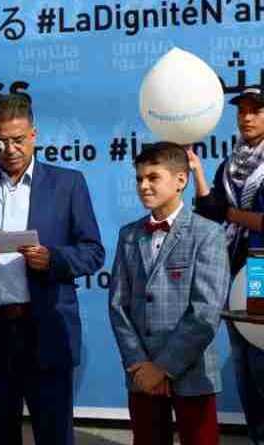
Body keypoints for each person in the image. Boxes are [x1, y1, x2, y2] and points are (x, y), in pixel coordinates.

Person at [0, 94, 104, 445]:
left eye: (19, 139)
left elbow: (93, 252)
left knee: (54, 434)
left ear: (34, 134)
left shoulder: (68, 183)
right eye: (1, 141)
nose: (11, 149)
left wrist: (54, 260)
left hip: (47, 330)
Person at [110, 142, 229, 445]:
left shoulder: (207, 233)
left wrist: (162, 368)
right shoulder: (129, 235)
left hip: (193, 373)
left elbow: (206, 310)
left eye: (153, 177)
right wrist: (139, 363)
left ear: (181, 180)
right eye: (139, 179)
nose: (144, 186)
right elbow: (118, 304)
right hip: (141, 375)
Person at [189, 85, 264, 443]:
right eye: (241, 111)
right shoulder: (232, 163)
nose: (246, 117)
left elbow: (243, 217)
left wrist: (230, 213)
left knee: (261, 358)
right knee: (241, 359)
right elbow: (209, 210)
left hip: (260, 272)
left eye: (256, 110)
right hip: (233, 269)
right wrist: (197, 172)